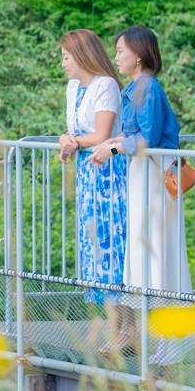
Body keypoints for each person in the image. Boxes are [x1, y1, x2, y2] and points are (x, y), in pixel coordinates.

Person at [90, 26, 192, 298]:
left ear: (137, 55)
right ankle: (150, 302)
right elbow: (136, 133)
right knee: (145, 233)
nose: (116, 57)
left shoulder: (147, 88)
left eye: (120, 51)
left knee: (155, 235)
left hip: (155, 170)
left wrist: (113, 149)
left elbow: (148, 137)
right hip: (145, 169)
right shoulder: (139, 87)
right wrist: (112, 143)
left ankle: (159, 302)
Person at [57, 29, 127, 310]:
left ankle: (125, 323)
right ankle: (111, 319)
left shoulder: (105, 85)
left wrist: (73, 141)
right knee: (93, 241)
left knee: (113, 240)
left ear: (82, 56)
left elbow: (101, 134)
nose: (63, 63)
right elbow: (77, 131)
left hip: (108, 168)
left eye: (66, 57)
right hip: (87, 171)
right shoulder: (73, 87)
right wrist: (66, 140)